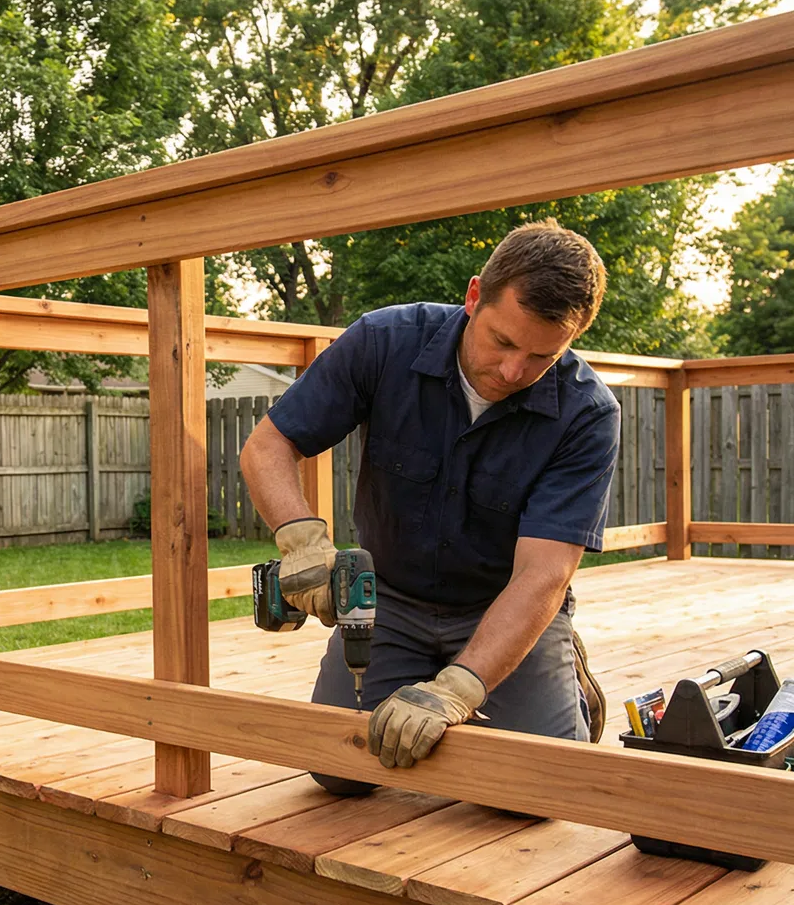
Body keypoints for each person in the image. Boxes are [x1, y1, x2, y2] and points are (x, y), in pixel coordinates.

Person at [240, 220, 618, 790]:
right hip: (390, 599)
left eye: (542, 356)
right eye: (504, 342)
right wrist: (301, 540)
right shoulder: (384, 341)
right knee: (337, 772)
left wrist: (456, 691)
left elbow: (543, 575)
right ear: (473, 297)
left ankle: (562, 675)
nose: (514, 372)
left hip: (504, 607)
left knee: (533, 793)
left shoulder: (588, 413)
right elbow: (268, 445)